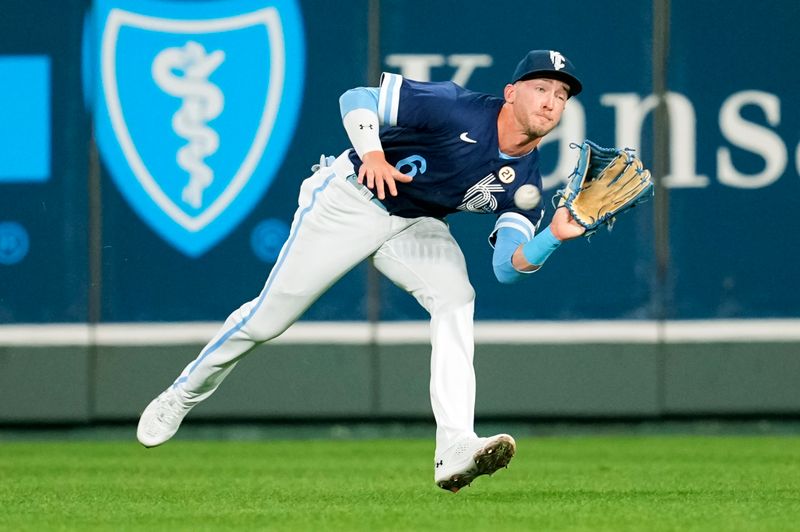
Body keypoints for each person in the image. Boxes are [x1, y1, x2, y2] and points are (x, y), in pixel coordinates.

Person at [137, 49, 587, 492]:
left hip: (416, 223)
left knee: (456, 299)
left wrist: (553, 236)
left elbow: (507, 268)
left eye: (561, 95)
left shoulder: (526, 181)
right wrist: (372, 153)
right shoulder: (457, 107)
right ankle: (182, 394)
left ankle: (455, 445)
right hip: (352, 198)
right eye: (541, 87)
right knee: (268, 320)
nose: (550, 101)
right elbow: (357, 97)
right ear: (511, 92)